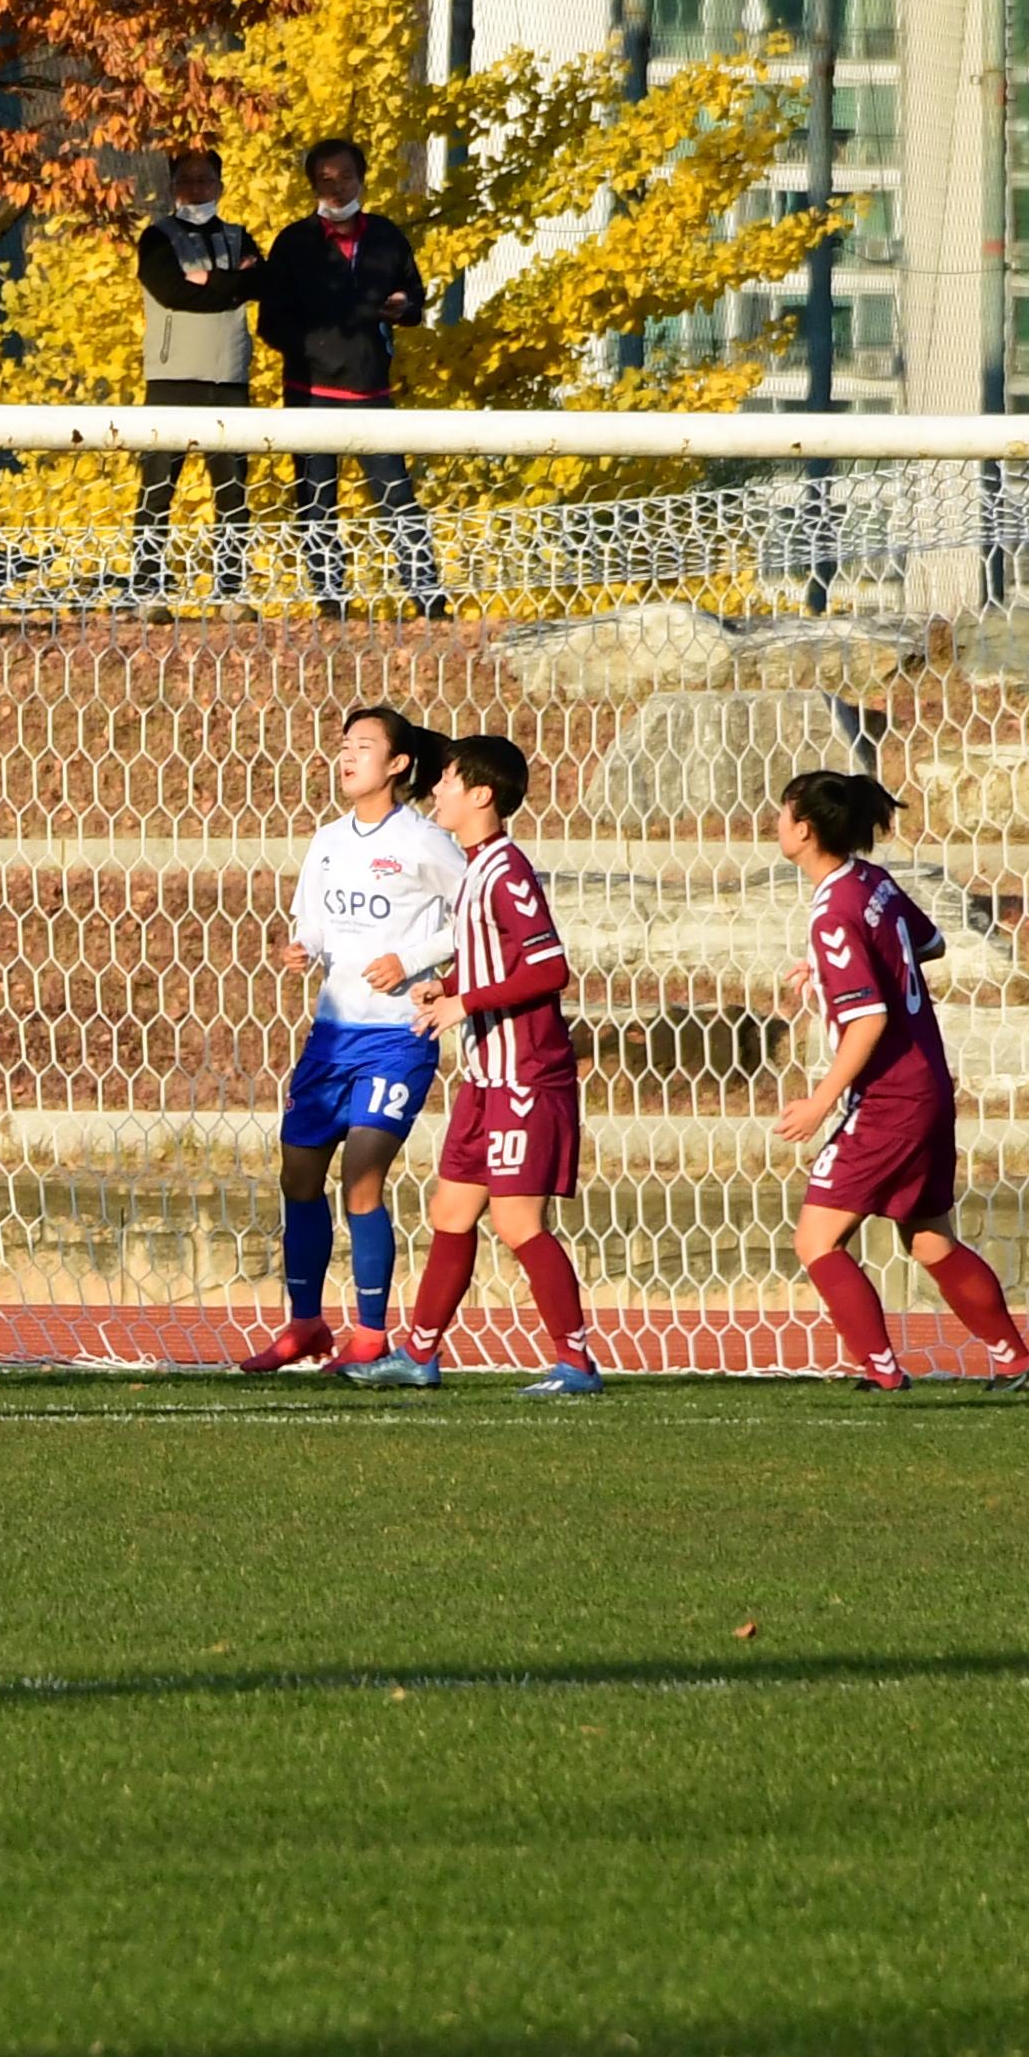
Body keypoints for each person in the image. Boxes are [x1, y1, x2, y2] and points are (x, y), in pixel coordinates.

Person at [764, 769, 1029, 1393]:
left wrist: (820, 1101)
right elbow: (932, 942)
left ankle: (882, 1373)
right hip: (928, 1081)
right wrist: (827, 967)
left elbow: (867, 1020)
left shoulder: (832, 911)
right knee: (927, 1238)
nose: (776, 825)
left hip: (890, 1094)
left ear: (805, 830)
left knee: (816, 1240)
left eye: (783, 815)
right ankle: (1015, 1361)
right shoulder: (871, 883)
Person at [347, 732, 601, 1394]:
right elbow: (498, 961)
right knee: (451, 1214)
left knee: (518, 1224)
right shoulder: (477, 868)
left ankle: (575, 1363)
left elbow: (549, 967)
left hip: (525, 1075)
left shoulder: (506, 870)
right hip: (486, 1078)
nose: (438, 790)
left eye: (450, 781)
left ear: (481, 794)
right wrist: (451, 987)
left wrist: (465, 1005)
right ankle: (419, 1356)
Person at [260, 706, 457, 1371]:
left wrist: (413, 959)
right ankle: (306, 1325)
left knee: (362, 1178)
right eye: (344, 745)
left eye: (364, 747)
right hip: (331, 1036)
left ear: (398, 764)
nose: (347, 757)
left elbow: (477, 917)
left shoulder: (427, 841)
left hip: (396, 1038)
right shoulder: (328, 841)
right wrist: (302, 947)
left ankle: (371, 1333)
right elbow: (314, 923)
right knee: (299, 1174)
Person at [250, 135, 441, 616]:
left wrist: (405, 308)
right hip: (310, 394)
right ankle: (330, 603)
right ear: (312, 185)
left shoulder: (387, 237)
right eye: (325, 180)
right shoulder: (293, 243)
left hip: (372, 391)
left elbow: (413, 296)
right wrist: (313, 351)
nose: (336, 188)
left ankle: (429, 600)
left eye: (346, 177)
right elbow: (270, 323)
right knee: (316, 502)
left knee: (398, 496)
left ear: (363, 179)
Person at [127, 140, 266, 605]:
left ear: (220, 185)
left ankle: (230, 589)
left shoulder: (239, 236)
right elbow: (171, 292)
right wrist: (231, 287)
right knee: (158, 488)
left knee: (231, 491)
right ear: (171, 188)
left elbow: (261, 283)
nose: (195, 188)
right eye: (185, 180)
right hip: (172, 378)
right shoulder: (157, 237)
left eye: (204, 179)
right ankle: (148, 589)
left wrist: (215, 282)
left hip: (229, 378)